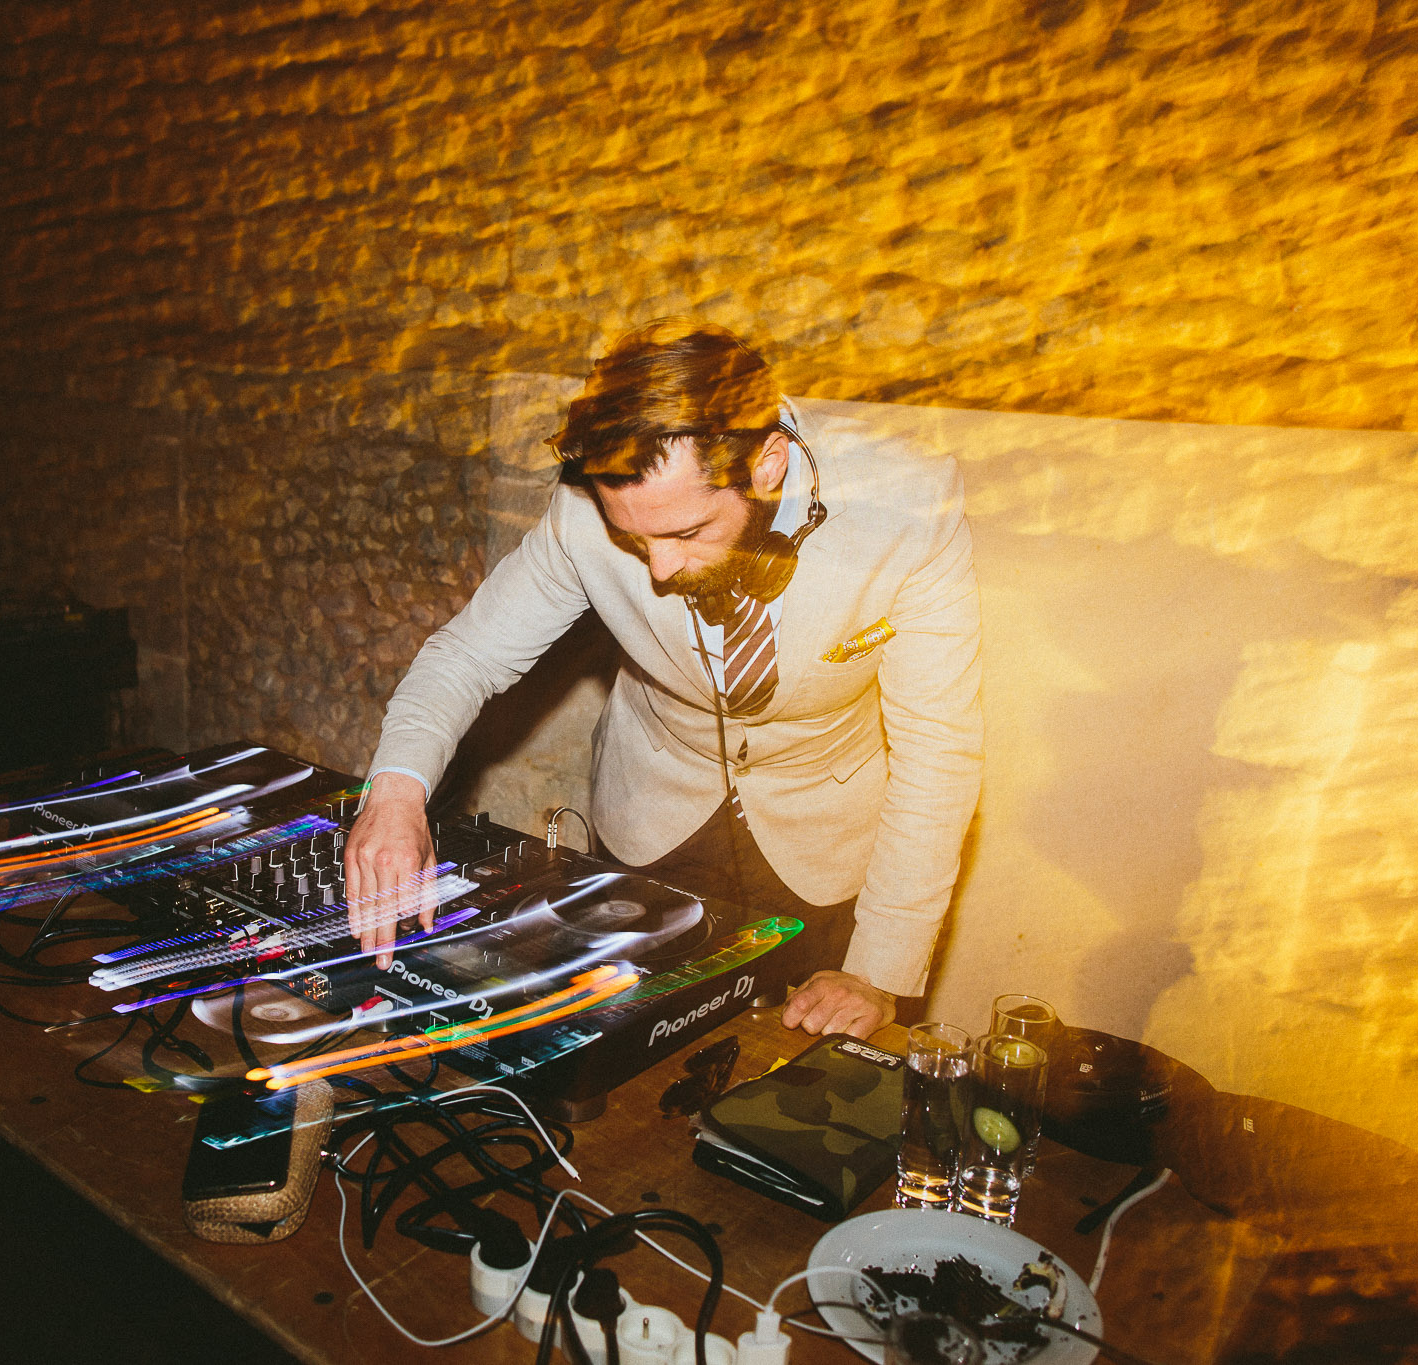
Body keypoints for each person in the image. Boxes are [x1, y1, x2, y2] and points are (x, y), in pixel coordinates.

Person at [342, 320, 982, 1040]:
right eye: (632, 538)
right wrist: (394, 794)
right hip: (651, 813)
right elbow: (467, 656)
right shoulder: (582, 512)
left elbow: (939, 750)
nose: (660, 569)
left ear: (768, 464)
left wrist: (878, 970)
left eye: (686, 532)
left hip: (824, 843)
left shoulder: (909, 507)